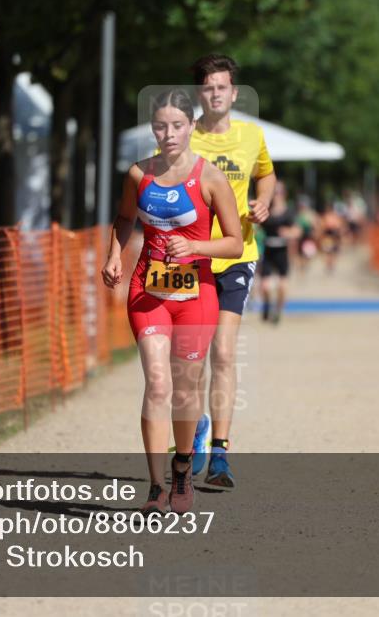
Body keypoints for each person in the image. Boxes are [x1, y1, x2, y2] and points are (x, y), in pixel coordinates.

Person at [102, 89, 242, 514]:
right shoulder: (138, 175)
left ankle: (182, 467)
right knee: (158, 384)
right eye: (161, 126)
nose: (169, 134)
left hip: (196, 296)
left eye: (177, 125)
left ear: (191, 127)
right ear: (153, 128)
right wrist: (114, 255)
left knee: (185, 390)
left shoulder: (211, 178)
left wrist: (196, 249)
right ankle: (156, 487)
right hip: (148, 292)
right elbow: (126, 218)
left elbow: (234, 244)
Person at [187, 54, 276, 487]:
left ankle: (220, 452)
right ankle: (199, 426)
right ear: (199, 94)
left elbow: (267, 175)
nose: (216, 93)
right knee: (193, 356)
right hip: (192, 258)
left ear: (234, 93)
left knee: (223, 351)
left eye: (222, 86)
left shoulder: (251, 135)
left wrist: (265, 201)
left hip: (237, 255)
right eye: (208, 87)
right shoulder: (182, 139)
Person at [259, 181, 298, 324]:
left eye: (279, 192)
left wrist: (288, 233)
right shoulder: (265, 210)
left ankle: (278, 311)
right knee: (265, 286)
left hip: (282, 251)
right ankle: (267, 305)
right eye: (274, 192)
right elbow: (256, 226)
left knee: (282, 286)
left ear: (284, 194)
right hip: (268, 250)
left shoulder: (289, 212)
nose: (277, 195)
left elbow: (297, 230)